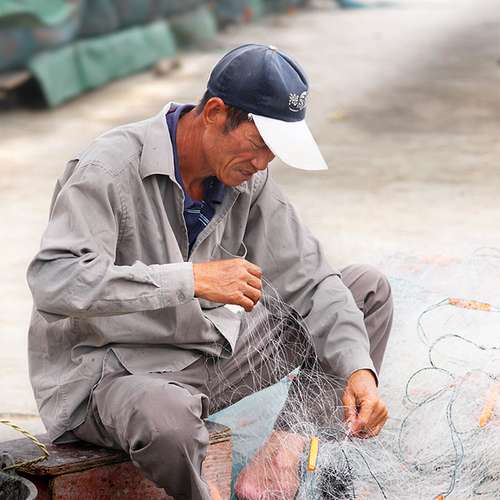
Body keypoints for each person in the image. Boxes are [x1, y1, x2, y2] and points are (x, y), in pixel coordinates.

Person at [27, 43, 393, 500]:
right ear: (216, 113)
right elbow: (56, 280)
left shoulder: (247, 179)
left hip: (203, 355)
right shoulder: (108, 168)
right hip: (117, 378)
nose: (262, 164)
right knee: (168, 421)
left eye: (274, 152)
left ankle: (282, 456)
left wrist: (358, 370)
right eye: (258, 145)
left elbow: (313, 280)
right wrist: (192, 279)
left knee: (364, 291)